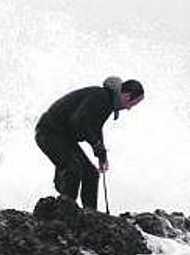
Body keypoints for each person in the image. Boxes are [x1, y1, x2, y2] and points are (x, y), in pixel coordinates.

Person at [34, 77, 144, 210]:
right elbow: (79, 121)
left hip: (64, 138)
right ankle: (66, 210)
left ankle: (91, 213)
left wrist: (102, 154)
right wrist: (97, 146)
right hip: (49, 133)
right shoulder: (101, 97)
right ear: (126, 96)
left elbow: (96, 128)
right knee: (73, 169)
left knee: (91, 173)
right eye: (132, 103)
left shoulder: (107, 102)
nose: (129, 108)